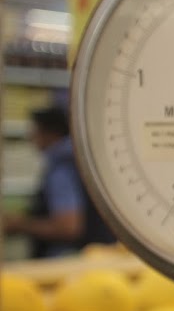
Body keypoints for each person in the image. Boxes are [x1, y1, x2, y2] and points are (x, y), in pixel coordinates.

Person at [3, 107, 116, 258]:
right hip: (100, 256)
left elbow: (69, 227)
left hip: (69, 259)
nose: (31, 138)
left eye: (34, 131)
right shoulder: (84, 159)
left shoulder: (61, 168)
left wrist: (20, 225)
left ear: (49, 133)